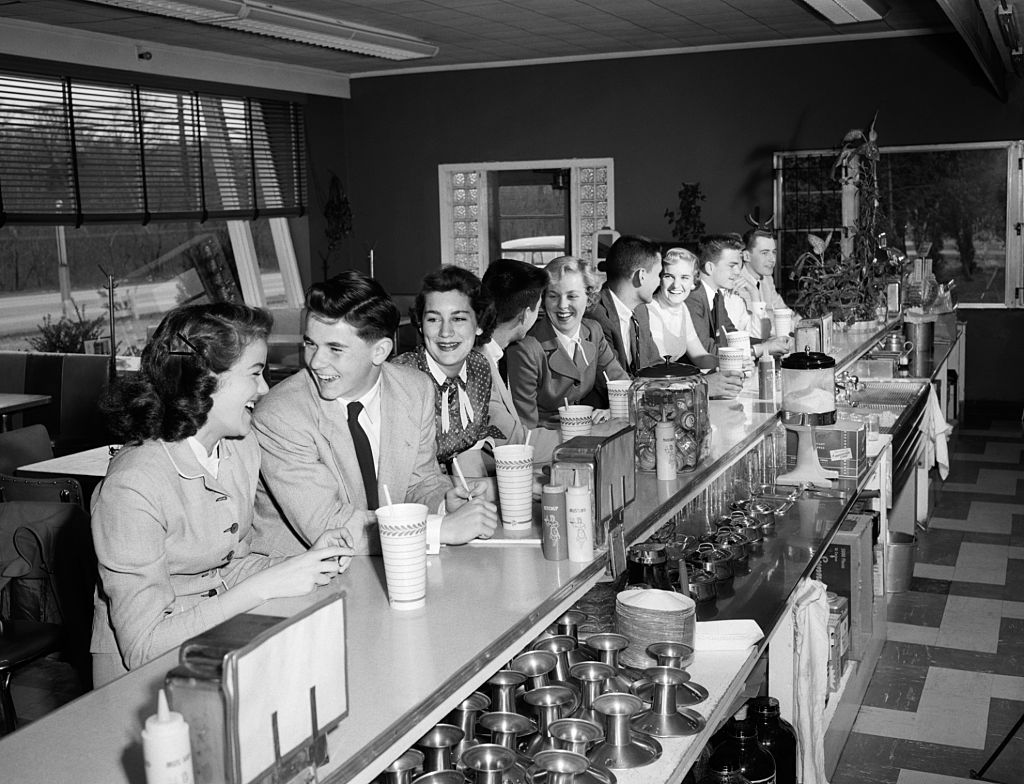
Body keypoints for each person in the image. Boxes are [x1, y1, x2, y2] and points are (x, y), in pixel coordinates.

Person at [90, 303, 351, 686]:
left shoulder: (239, 447)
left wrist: (309, 562)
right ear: (205, 379)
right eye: (255, 373)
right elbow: (142, 645)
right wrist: (263, 588)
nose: (265, 389)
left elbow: (229, 564)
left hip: (214, 644)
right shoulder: (132, 487)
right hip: (138, 680)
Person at [253, 271, 498, 558]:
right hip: (304, 574)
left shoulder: (415, 389)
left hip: (389, 562)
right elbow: (328, 527)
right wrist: (441, 528)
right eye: (310, 343)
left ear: (380, 351)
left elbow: (419, 481)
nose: (315, 361)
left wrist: (444, 503)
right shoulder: (279, 416)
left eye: (335, 348)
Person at [392, 266, 504, 469]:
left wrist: (477, 495)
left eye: (458, 319)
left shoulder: (478, 368)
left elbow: (468, 455)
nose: (445, 332)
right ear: (420, 324)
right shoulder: (402, 376)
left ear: (479, 324)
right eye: (433, 319)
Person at [507, 256, 628, 430]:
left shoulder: (594, 332)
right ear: (542, 299)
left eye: (572, 296)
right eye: (553, 296)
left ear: (589, 297)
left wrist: (613, 411)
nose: (562, 305)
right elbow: (525, 428)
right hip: (546, 442)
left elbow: (623, 387)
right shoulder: (525, 348)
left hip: (588, 431)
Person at [477, 259, 561, 460]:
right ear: (525, 315)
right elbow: (515, 442)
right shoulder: (476, 364)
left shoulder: (499, 352)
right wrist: (592, 434)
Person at [645, 247, 744, 399]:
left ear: (693, 282)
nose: (676, 285)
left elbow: (699, 355)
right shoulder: (651, 310)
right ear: (660, 278)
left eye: (684, 277)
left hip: (676, 391)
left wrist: (730, 365)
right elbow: (661, 369)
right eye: (669, 276)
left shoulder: (682, 308)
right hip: (659, 393)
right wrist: (702, 383)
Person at [686, 234, 790, 358]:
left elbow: (732, 337)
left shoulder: (716, 295)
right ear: (709, 267)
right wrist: (760, 348)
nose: (737, 271)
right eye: (732, 266)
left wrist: (769, 343)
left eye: (738, 266)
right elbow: (707, 351)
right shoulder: (693, 297)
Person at [585, 234, 663, 374]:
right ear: (641, 276)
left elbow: (655, 365)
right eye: (658, 274)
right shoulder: (595, 315)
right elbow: (612, 380)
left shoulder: (641, 311)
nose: (660, 282)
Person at [735, 228, 799, 339]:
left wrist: (807, 325)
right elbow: (758, 327)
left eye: (773, 252)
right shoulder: (737, 283)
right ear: (746, 256)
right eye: (764, 253)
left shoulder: (767, 278)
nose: (772, 259)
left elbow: (783, 311)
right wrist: (777, 318)